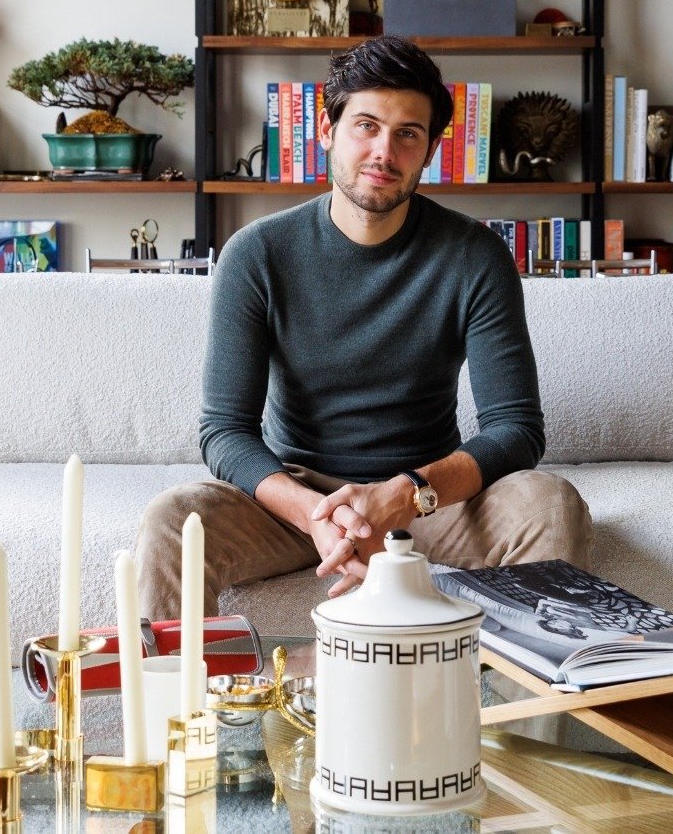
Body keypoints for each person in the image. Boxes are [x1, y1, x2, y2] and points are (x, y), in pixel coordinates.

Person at [135, 37, 592, 619]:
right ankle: (181, 709)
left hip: (426, 501)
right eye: (366, 126)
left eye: (408, 134)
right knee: (175, 519)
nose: (384, 150)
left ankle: (522, 708)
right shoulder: (256, 254)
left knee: (550, 504)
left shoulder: (475, 256)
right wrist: (315, 514)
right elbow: (225, 431)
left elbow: (517, 429)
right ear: (327, 130)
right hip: (297, 499)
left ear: (429, 152)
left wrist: (400, 496)